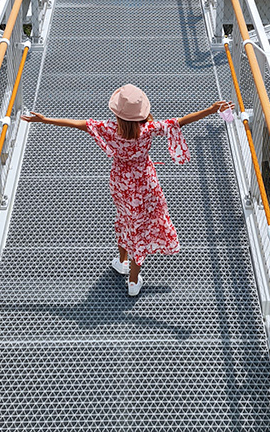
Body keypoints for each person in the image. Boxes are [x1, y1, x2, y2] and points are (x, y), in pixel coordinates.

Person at [22, 85, 229, 295]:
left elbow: (79, 124)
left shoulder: (109, 128)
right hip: (145, 182)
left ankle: (122, 261)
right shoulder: (148, 129)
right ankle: (132, 280)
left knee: (125, 218)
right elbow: (180, 121)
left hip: (120, 181)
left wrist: (45, 119)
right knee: (140, 226)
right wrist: (211, 110)